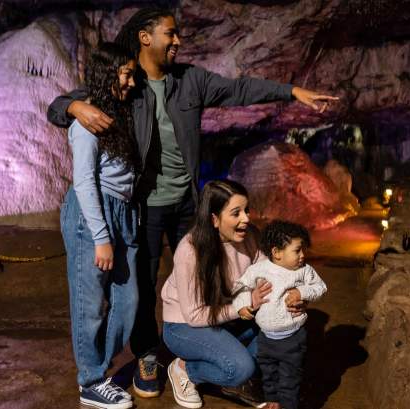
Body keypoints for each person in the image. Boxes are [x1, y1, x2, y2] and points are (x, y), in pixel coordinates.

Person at [47, 7, 338, 398]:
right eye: (171, 33)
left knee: (206, 272)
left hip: (188, 202)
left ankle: (214, 344)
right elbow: (68, 101)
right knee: (143, 286)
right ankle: (149, 354)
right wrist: (71, 106)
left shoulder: (190, 81)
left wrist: (290, 91)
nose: (179, 41)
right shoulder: (127, 83)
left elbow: (239, 89)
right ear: (146, 37)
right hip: (143, 205)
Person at [162, 180, 292, 408]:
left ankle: (236, 374)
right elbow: (194, 315)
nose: (246, 219)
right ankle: (185, 369)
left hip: (225, 319)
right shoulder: (190, 251)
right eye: (236, 213)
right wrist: (244, 306)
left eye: (246, 210)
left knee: (279, 336)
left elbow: (266, 273)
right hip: (185, 326)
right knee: (240, 368)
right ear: (214, 219)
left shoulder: (249, 235)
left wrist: (288, 294)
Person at [60, 42, 139, 409]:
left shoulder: (120, 113)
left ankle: (98, 370)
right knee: (89, 304)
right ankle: (90, 381)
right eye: (125, 73)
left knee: (128, 300)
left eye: (132, 74)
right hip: (92, 214)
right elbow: (85, 182)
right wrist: (101, 237)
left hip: (123, 211)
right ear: (106, 74)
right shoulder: (86, 122)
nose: (131, 81)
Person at [232, 220, 327, 409]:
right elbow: (241, 286)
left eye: (303, 250)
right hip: (265, 339)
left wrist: (302, 293)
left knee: (289, 380)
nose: (302, 255)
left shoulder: (304, 271)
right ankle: (272, 402)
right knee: (268, 375)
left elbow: (321, 287)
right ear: (276, 253)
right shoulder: (259, 270)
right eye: (297, 250)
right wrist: (242, 305)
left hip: (293, 339)